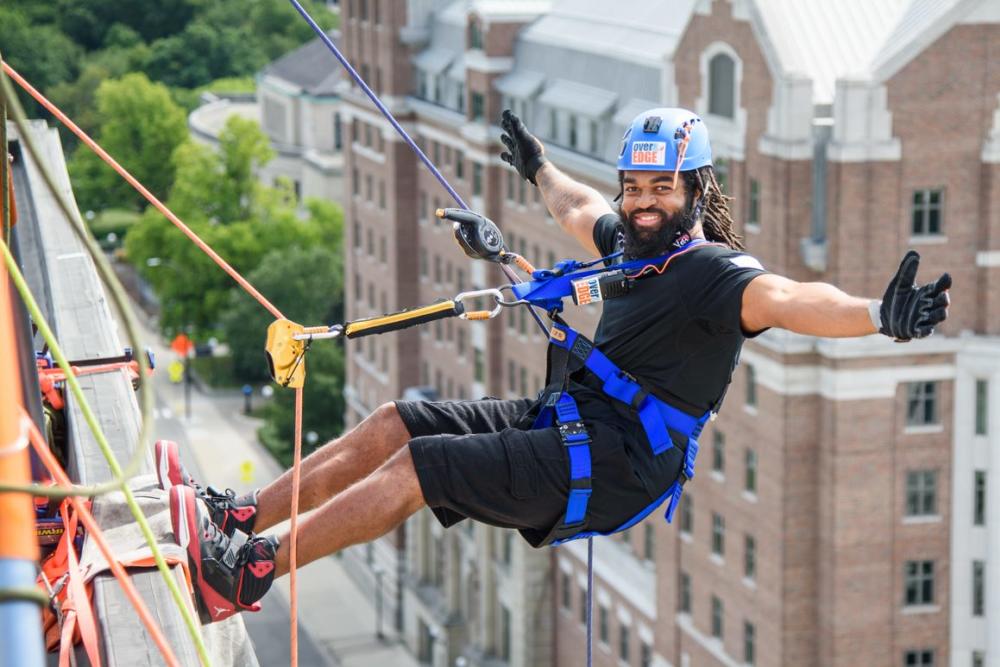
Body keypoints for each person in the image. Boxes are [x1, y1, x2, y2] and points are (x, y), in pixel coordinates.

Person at [164, 107, 951, 623]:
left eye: (661, 190)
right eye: (634, 187)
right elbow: (579, 209)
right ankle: (240, 515)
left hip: (616, 462)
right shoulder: (630, 245)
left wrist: (879, 317)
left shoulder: (717, 275)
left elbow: (791, 298)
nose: (641, 203)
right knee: (395, 419)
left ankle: (248, 572)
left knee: (420, 466)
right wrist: (536, 167)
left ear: (696, 190)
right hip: (574, 419)